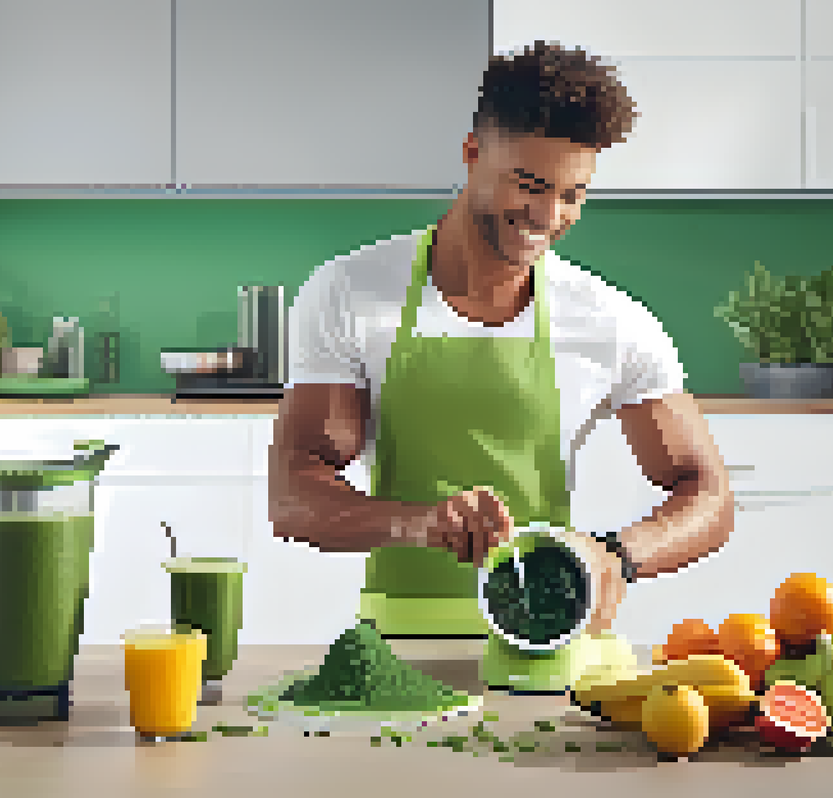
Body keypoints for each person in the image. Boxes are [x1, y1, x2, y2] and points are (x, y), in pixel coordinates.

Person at [268, 41, 735, 642]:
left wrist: (615, 555)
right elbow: (294, 494)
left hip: (555, 647)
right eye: (530, 185)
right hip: (402, 645)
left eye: (573, 195)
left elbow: (710, 496)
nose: (548, 215)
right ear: (471, 154)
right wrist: (421, 524)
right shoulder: (349, 292)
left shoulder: (610, 320)